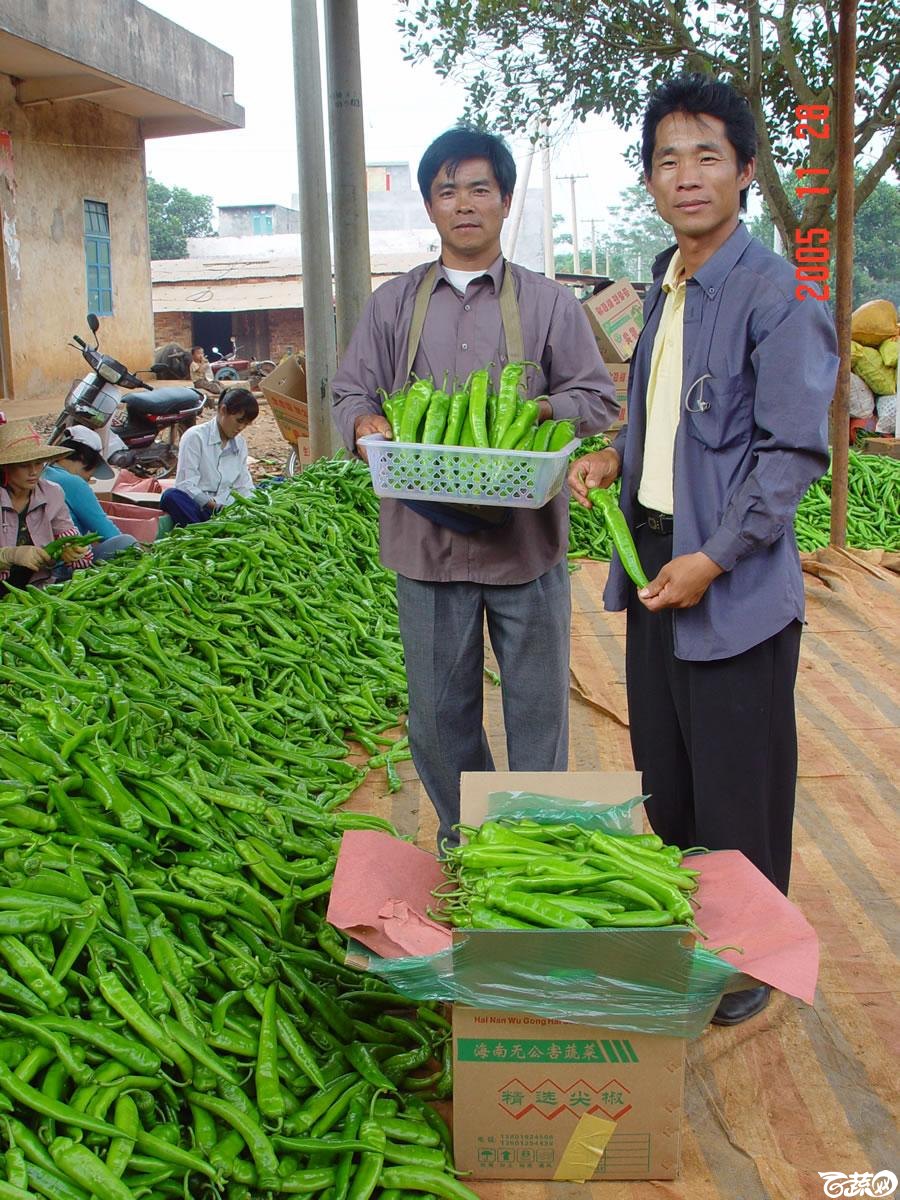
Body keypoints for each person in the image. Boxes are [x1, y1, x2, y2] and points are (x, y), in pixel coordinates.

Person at [568, 75, 839, 1025]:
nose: (686, 176)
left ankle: (751, 960)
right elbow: (666, 424)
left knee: (740, 783)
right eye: (667, 160)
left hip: (729, 579)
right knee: (669, 778)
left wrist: (714, 559)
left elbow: (792, 453)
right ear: (650, 180)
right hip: (653, 568)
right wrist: (613, 456)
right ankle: (696, 930)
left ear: (745, 171)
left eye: (707, 157)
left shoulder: (780, 293)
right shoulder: (667, 287)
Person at [332, 126, 618, 851]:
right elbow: (348, 391)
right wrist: (364, 420)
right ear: (430, 206)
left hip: (526, 545)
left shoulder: (550, 304)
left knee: (538, 712)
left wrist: (538, 411)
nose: (465, 204)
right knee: (436, 717)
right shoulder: (393, 305)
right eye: (447, 190)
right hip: (425, 546)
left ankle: (540, 852)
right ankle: (476, 844)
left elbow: (595, 398)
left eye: (480, 189)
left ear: (505, 201)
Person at [0, 416, 94, 593]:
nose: (34, 472)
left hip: (38, 587)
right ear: (6, 467)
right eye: (24, 465)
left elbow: (74, 541)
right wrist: (9, 555)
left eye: (38, 463)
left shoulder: (51, 493)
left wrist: (75, 551)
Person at [160, 388, 258, 526]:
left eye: (246, 424)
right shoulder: (195, 437)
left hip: (229, 511)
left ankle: (209, 530)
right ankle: (205, 530)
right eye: (239, 421)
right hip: (201, 508)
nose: (241, 427)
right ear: (223, 410)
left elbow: (244, 484)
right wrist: (215, 507)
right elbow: (186, 485)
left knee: (260, 491)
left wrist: (254, 508)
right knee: (171, 497)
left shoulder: (240, 444)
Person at [43, 426, 138, 561]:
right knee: (126, 543)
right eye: (93, 471)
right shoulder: (72, 482)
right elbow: (107, 532)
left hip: (41, 559)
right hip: (66, 563)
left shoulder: (45, 474)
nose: (91, 478)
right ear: (83, 456)